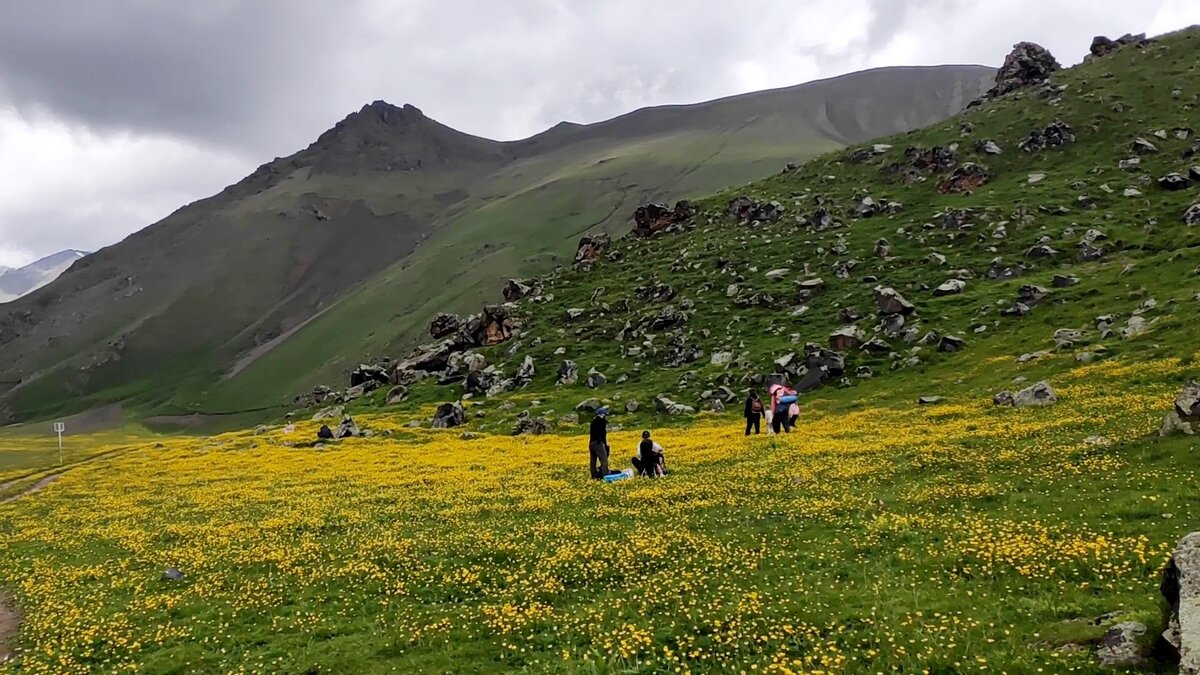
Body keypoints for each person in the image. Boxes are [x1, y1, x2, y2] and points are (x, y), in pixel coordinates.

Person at [589, 407, 611, 479]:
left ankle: (593, 474)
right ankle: (605, 474)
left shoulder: (593, 421)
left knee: (593, 459)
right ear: (603, 414)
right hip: (598, 443)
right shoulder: (601, 422)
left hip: (591, 443)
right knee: (603, 459)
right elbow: (602, 434)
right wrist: (604, 444)